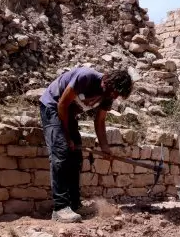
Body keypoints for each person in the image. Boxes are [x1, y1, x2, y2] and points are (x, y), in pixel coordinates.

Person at [39, 67, 133, 223]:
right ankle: (60, 208)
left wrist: (105, 147)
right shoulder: (86, 78)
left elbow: (100, 121)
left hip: (68, 112)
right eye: (113, 92)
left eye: (116, 95)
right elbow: (62, 104)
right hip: (53, 106)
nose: (113, 96)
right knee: (61, 154)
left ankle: (74, 205)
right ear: (107, 80)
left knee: (75, 158)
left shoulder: (109, 94)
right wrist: (67, 136)